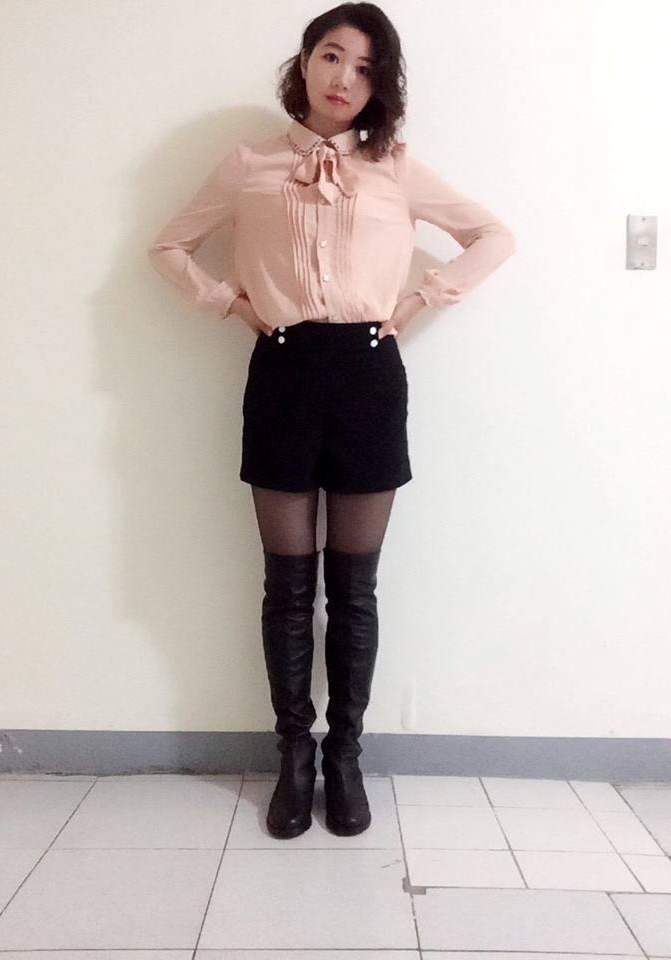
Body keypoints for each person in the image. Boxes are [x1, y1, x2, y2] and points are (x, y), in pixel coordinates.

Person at [147, 2, 516, 840]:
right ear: (305, 63)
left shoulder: (397, 168)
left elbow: (493, 236)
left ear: (381, 84)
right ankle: (294, 757)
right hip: (281, 370)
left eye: (365, 67)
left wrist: (420, 298)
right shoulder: (248, 165)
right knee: (286, 587)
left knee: (354, 589)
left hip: (368, 376)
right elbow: (168, 246)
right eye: (332, 56)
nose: (345, 78)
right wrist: (228, 301)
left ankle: (344, 756)